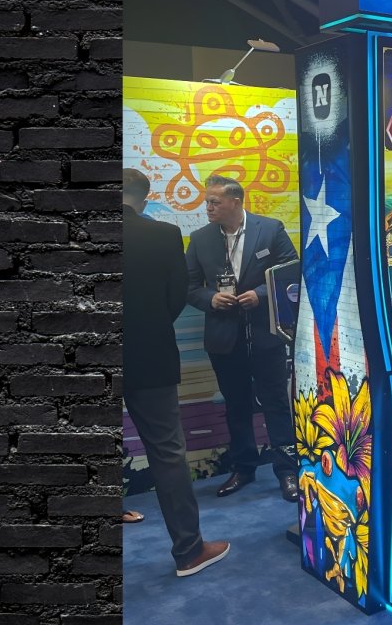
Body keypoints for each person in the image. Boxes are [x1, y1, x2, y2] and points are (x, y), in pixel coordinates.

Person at [123, 169, 230, 577]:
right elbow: (174, 298)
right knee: (167, 453)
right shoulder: (163, 235)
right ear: (143, 198)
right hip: (149, 357)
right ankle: (189, 551)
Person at [186, 174, 299, 501]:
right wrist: (210, 299)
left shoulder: (271, 229)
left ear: (235, 202)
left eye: (214, 202)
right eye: (207, 201)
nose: (208, 207)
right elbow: (188, 287)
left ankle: (287, 471)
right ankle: (244, 468)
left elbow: (292, 272)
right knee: (235, 405)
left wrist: (261, 294)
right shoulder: (200, 239)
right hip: (224, 337)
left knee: (276, 402)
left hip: (266, 334)